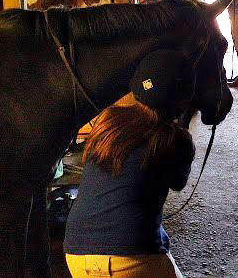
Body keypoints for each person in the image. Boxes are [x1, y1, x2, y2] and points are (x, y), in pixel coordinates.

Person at [64, 50, 196, 278]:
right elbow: (178, 183)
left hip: (75, 253)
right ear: (182, 100)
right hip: (132, 258)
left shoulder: (108, 120)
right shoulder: (176, 140)